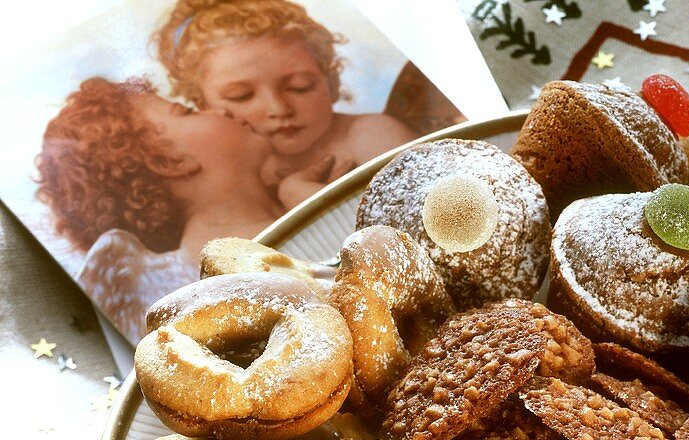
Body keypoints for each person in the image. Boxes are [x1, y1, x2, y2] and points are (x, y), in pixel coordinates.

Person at [36, 76, 285, 343]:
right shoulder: (192, 284)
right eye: (188, 112)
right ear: (170, 161)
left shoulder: (295, 193)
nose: (221, 110)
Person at [155, 0, 419, 207]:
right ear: (205, 107)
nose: (279, 109)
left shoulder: (370, 134)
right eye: (242, 96)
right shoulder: (232, 179)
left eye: (299, 87)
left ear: (331, 83)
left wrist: (311, 200)